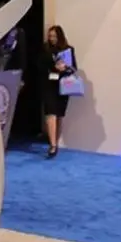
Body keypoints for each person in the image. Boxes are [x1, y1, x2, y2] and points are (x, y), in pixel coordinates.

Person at [41, 25, 77, 158]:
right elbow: (39, 66)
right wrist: (53, 67)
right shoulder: (45, 49)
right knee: (50, 113)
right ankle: (52, 145)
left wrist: (65, 68)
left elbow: (74, 68)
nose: (52, 39)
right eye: (50, 36)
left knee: (59, 115)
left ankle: (55, 142)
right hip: (49, 85)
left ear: (60, 37)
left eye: (54, 36)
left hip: (63, 85)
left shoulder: (68, 49)